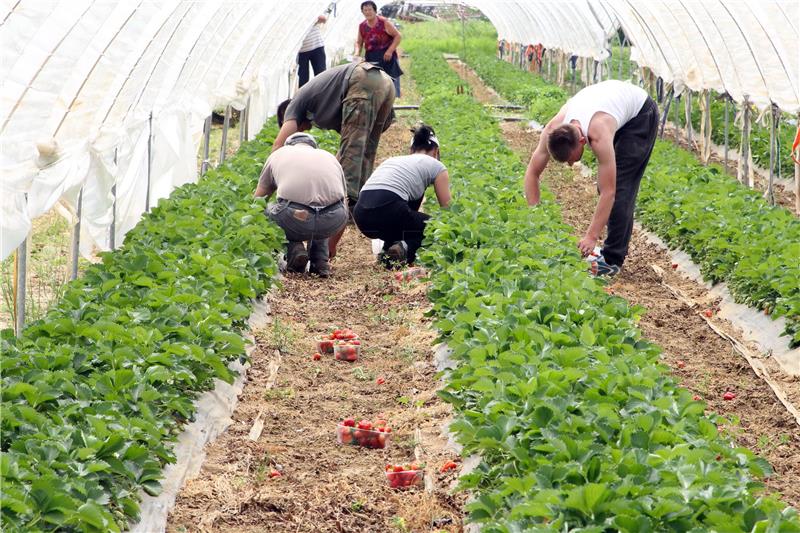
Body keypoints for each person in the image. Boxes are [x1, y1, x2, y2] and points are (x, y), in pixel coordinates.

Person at [524, 79, 659, 276]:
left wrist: (590, 237)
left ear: (581, 141)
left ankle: (612, 260)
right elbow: (532, 172)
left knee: (620, 186)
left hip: (640, 115)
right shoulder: (553, 128)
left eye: (570, 159)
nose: (571, 164)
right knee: (606, 183)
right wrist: (534, 214)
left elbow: (609, 192)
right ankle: (610, 254)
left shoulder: (598, 134)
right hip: (611, 103)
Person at [273, 59, 395, 259]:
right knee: (362, 161)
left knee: (347, 176)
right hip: (383, 83)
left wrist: (279, 178)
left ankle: (327, 248)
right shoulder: (317, 102)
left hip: (363, 82)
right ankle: (363, 217)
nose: (303, 131)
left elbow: (278, 146)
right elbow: (347, 150)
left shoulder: (294, 104)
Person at [353, 124, 450, 266]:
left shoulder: (392, 161)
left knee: (405, 221)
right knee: (436, 228)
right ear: (436, 151)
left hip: (362, 216)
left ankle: (387, 254)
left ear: (411, 150)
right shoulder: (436, 166)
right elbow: (447, 209)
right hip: (390, 209)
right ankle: (404, 250)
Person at [255, 132, 348, 277]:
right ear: (313, 146)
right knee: (322, 207)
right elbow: (344, 203)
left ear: (288, 145)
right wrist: (333, 244)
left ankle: (294, 249)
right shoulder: (329, 157)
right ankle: (320, 261)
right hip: (334, 218)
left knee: (266, 210)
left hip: (295, 217)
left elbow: (258, 200)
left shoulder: (278, 154)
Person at [355, 1, 403, 97]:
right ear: (362, 12)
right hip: (371, 59)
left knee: (390, 87)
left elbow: (398, 36)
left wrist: (390, 51)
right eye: (365, 10)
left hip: (387, 58)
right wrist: (356, 54)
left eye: (370, 10)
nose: (368, 12)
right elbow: (359, 42)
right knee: (374, 88)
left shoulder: (384, 22)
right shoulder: (362, 26)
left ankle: (389, 107)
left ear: (375, 11)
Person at [298, 15, 327, 88]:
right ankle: (304, 98)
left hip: (317, 47)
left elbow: (323, 19)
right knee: (303, 79)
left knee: (321, 76)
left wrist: (313, 18)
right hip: (302, 51)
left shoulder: (310, 12)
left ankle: (323, 97)